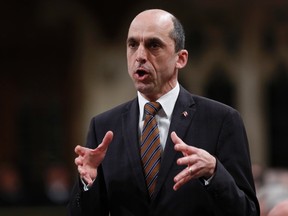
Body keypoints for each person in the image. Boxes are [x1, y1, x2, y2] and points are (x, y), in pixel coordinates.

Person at [67, 8, 260, 216]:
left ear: (181, 58)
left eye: (153, 45)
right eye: (133, 44)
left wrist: (214, 172)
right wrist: (88, 183)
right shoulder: (104, 127)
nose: (140, 56)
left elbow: (248, 212)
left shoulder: (221, 121)